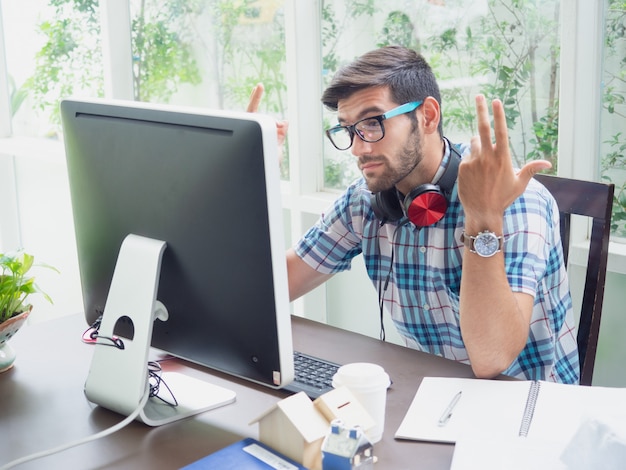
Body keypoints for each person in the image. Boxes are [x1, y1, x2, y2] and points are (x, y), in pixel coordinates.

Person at [250, 45, 579, 384]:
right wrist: (253, 177)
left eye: (374, 123)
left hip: (530, 407)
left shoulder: (516, 199)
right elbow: (269, 289)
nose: (360, 147)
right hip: (427, 392)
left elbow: (491, 360)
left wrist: (483, 217)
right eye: (349, 130)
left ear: (428, 116)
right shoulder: (367, 199)